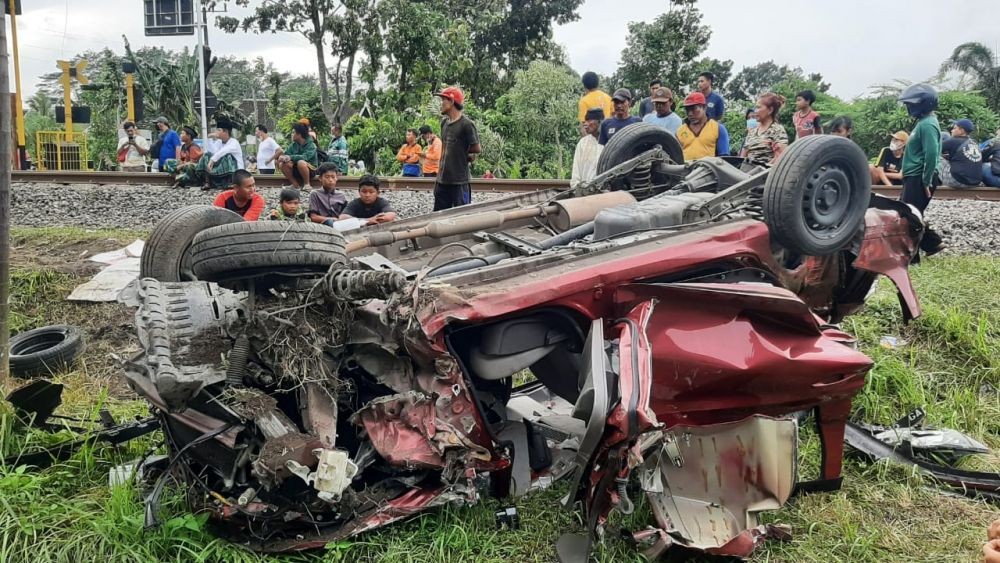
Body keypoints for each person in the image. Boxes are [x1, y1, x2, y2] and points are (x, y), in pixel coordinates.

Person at [899, 83, 945, 256]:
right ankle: (932, 244)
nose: (908, 107)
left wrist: (926, 180)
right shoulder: (924, 122)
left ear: (922, 104)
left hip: (920, 177)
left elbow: (932, 154)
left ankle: (914, 255)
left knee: (908, 216)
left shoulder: (927, 125)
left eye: (910, 104)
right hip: (914, 176)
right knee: (909, 213)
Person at [433, 86, 481, 210]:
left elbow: (476, 148)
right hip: (442, 180)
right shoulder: (444, 123)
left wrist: (464, 153)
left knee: (461, 215)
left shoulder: (466, 125)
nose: (441, 104)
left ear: (452, 101)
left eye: (443, 100)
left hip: (459, 181)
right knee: (439, 215)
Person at [675, 92, 730, 160]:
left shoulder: (718, 128)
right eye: (687, 109)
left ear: (704, 107)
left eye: (694, 109)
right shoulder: (680, 131)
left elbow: (724, 158)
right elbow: (675, 157)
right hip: (685, 169)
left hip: (709, 169)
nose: (690, 113)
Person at [740, 93, 788, 165]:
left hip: (765, 174)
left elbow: (780, 158)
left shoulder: (777, 130)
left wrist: (760, 171)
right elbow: (742, 157)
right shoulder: (753, 131)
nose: (755, 111)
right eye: (755, 108)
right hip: (747, 172)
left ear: (770, 110)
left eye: (759, 107)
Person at [940, 118, 983, 187]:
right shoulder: (974, 142)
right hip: (975, 182)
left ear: (962, 131)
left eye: (954, 128)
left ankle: (926, 182)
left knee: (934, 157)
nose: (952, 131)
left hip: (958, 181)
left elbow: (932, 150)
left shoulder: (953, 141)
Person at [275, 123, 319, 188]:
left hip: (310, 170)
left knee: (301, 162)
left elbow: (305, 157)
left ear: (299, 134)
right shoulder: (293, 145)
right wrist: (282, 157)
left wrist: (290, 157)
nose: (291, 134)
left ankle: (307, 184)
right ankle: (295, 184)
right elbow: (286, 154)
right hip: (297, 168)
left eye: (293, 132)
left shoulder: (311, 145)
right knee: (282, 164)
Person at [571, 108, 604, 188]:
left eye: (589, 121)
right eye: (585, 121)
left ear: (599, 122)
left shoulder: (608, 142)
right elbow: (576, 172)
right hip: (585, 193)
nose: (585, 124)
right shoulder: (582, 144)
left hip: (604, 193)